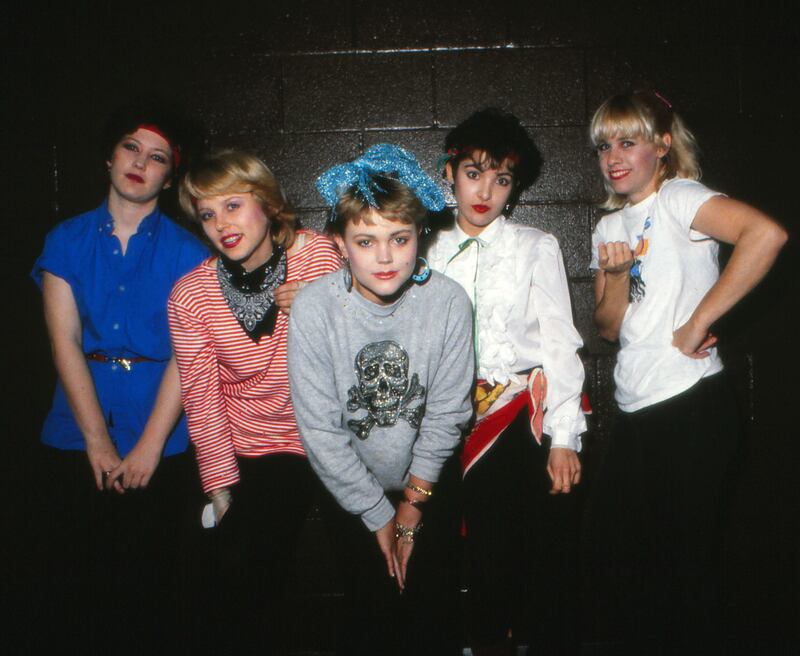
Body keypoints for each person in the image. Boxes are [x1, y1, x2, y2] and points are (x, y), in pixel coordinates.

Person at [588, 90, 787, 654]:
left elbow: (766, 235)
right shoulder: (607, 228)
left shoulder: (677, 196)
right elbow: (607, 327)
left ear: (663, 145)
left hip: (692, 400)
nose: (614, 156)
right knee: (620, 558)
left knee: (687, 566)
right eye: (605, 145)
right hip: (635, 406)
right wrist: (621, 275)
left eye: (629, 141)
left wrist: (698, 322)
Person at [30, 102, 209, 651]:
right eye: (131, 147)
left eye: (157, 157)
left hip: (161, 432)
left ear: (169, 175)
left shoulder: (190, 251)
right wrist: (96, 442)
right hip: (75, 428)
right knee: (76, 586)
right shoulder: (66, 239)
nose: (140, 162)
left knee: (150, 587)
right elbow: (64, 340)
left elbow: (188, 354)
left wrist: (151, 446)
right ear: (109, 156)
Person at [288, 144, 475, 655]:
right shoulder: (313, 307)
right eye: (366, 241)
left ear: (420, 236)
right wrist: (376, 514)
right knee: (369, 612)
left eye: (400, 238)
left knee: (431, 612)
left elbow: (446, 414)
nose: (386, 256)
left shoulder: (450, 301)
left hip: (428, 478)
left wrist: (411, 510)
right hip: (349, 484)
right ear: (340, 243)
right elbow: (321, 432)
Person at [426, 107, 588, 655]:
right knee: (442, 553)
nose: (485, 191)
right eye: (474, 173)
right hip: (438, 423)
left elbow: (559, 342)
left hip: (511, 419)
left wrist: (565, 437)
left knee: (506, 556)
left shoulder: (535, 245)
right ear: (449, 172)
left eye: (501, 179)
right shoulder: (420, 245)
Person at [168, 148, 341, 653]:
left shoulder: (316, 255)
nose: (221, 224)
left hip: (329, 438)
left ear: (266, 202)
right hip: (259, 447)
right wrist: (223, 493)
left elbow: (359, 345)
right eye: (206, 214)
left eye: (232, 205)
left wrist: (322, 303)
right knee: (228, 571)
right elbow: (201, 400)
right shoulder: (191, 295)